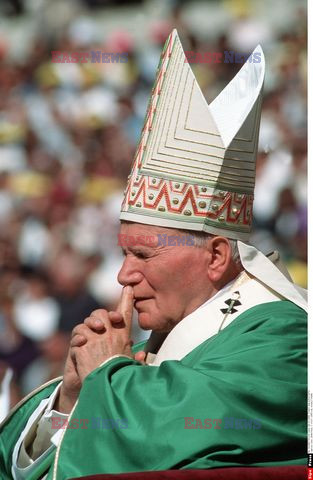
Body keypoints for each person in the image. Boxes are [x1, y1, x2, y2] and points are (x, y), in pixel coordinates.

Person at [0, 30, 307, 480]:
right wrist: (69, 399)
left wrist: (107, 374)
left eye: (144, 255)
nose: (124, 275)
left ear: (217, 257)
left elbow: (177, 429)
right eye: (124, 254)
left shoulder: (285, 338)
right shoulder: (149, 349)